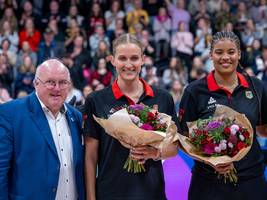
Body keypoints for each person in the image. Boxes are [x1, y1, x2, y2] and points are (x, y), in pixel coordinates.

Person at [83, 33, 179, 200]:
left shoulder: (163, 98)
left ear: (143, 59)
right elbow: (90, 157)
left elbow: (174, 147)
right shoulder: (96, 100)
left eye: (134, 58)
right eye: (122, 58)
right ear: (112, 60)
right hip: (110, 193)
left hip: (152, 193)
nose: (128, 64)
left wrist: (154, 153)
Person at [179, 31, 267, 200]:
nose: (225, 57)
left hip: (251, 181)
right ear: (211, 54)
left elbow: (263, 129)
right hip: (208, 183)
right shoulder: (194, 91)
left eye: (231, 52)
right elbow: (183, 139)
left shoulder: (256, 86)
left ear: (239, 54)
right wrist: (211, 161)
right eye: (219, 52)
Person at [0, 59, 85, 199]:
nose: (57, 88)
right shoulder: (10, 114)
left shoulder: (76, 116)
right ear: (36, 83)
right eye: (50, 82)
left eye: (63, 82)